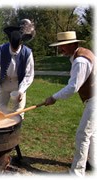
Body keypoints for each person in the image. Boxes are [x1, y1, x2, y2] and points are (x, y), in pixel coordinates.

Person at [44, 31, 97, 176]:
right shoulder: (82, 54)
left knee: (83, 134)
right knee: (91, 134)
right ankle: (93, 163)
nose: (61, 49)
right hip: (92, 99)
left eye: (64, 46)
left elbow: (73, 87)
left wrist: (53, 97)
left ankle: (77, 173)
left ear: (73, 44)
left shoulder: (80, 61)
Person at [0, 19, 35, 119]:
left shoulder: (28, 53)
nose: (14, 49)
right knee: (1, 108)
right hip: (5, 82)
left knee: (19, 111)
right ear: (9, 41)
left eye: (16, 47)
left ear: (21, 43)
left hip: (19, 83)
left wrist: (21, 91)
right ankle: (1, 129)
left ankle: (15, 131)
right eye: (12, 46)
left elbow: (29, 75)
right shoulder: (1, 49)